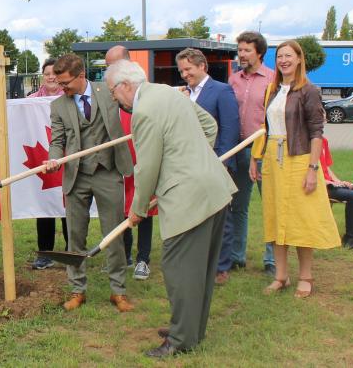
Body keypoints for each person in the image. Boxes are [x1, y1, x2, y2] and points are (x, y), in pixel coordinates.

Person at [106, 59, 235, 358]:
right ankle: (190, 329)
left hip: (189, 198)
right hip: (215, 189)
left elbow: (147, 167)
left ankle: (180, 339)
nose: (114, 99)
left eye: (113, 92)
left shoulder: (143, 111)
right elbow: (209, 126)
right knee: (200, 271)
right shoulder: (167, 92)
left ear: (125, 85)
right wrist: (193, 156)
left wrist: (138, 209)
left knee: (179, 269)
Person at [41, 54, 134, 313]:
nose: (62, 88)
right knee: (75, 236)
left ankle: (118, 291)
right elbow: (57, 141)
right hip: (77, 175)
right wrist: (54, 159)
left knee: (114, 234)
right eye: (59, 83)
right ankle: (77, 290)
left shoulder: (109, 92)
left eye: (66, 83)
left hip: (108, 171)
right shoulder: (59, 106)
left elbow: (135, 103)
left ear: (81, 75)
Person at [252, 39, 340, 298]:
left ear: (299, 59)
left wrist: (313, 168)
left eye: (288, 55)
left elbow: (316, 132)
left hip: (299, 159)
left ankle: (305, 276)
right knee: (276, 216)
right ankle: (281, 276)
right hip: (273, 159)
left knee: (301, 220)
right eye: (280, 56)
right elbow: (265, 128)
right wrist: (255, 159)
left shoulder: (308, 90)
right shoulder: (272, 90)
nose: (283, 60)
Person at [174, 47, 241, 285]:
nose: (185, 74)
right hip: (189, 164)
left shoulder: (221, 91)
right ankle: (198, 261)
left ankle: (221, 266)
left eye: (188, 69)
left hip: (215, 163)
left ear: (202, 66)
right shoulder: (183, 94)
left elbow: (230, 129)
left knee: (221, 216)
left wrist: (223, 162)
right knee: (195, 215)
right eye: (181, 71)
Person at [228, 31, 276, 276]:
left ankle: (272, 260)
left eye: (247, 50)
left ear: (260, 52)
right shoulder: (233, 80)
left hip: (266, 152)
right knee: (239, 206)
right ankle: (237, 256)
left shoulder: (273, 79)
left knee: (271, 206)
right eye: (240, 50)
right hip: (240, 150)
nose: (242, 55)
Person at [107, 46, 154, 280]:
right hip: (120, 154)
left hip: (142, 152)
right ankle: (123, 254)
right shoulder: (110, 89)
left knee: (144, 203)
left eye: (113, 65)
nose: (109, 69)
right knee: (120, 204)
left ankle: (143, 259)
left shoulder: (141, 87)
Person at [27, 57, 67, 270]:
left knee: (68, 205)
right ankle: (45, 253)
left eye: (55, 74)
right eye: (47, 74)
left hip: (65, 156)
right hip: (40, 157)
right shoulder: (31, 100)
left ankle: (71, 252)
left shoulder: (69, 98)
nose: (51, 77)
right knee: (43, 206)